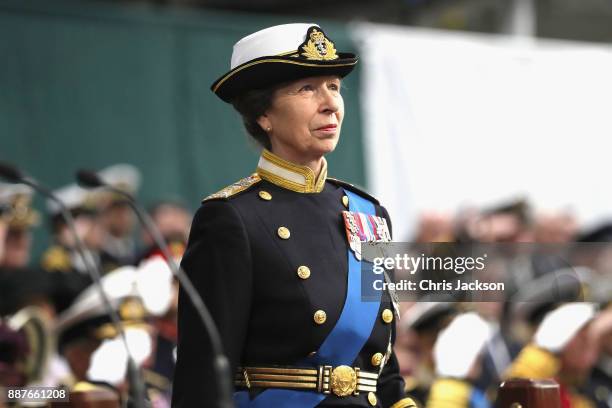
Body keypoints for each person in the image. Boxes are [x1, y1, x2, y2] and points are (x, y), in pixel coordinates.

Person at [172, 23, 415, 408]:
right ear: (263, 114)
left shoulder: (370, 215)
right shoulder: (231, 218)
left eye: (334, 86)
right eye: (307, 89)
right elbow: (204, 374)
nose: (330, 103)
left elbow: (382, 368)